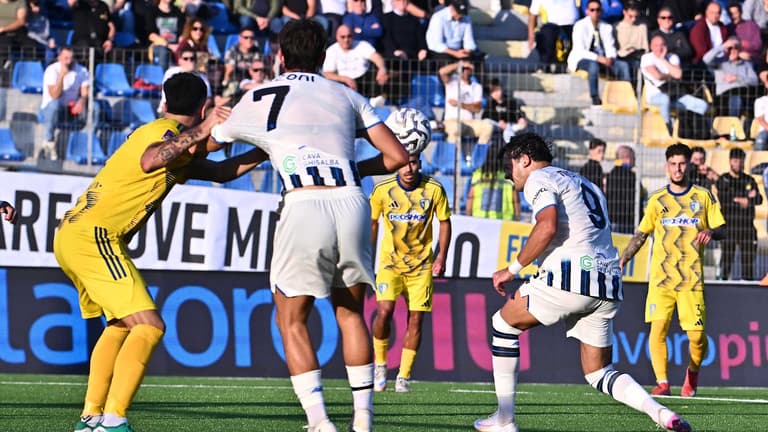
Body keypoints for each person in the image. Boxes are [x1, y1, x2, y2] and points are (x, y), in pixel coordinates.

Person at [209, 19, 408, 432]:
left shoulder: (258, 95)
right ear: (322, 57)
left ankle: (319, 421)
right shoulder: (346, 93)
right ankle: (363, 420)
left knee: (291, 318)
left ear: (280, 56)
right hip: (352, 201)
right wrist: (353, 166)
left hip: (304, 202)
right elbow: (396, 157)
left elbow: (215, 144)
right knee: (350, 311)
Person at [54, 72, 265, 432]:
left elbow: (220, 171)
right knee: (150, 326)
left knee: (121, 324)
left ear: (165, 102)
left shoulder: (163, 137)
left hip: (74, 234)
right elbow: (154, 159)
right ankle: (113, 420)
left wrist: (263, 149)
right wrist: (207, 128)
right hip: (94, 236)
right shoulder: (160, 135)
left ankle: (91, 418)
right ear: (202, 108)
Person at [474, 132, 692, 432]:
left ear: (523, 159)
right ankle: (662, 414)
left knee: (503, 324)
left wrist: (511, 270)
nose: (508, 176)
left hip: (570, 277)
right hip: (607, 280)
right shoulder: (585, 183)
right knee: (599, 373)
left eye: (509, 169)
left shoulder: (539, 179)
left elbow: (547, 226)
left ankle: (504, 419)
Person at [619, 143, 725, 399]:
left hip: (692, 280)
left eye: (682, 164)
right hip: (661, 280)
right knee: (658, 331)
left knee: (697, 338)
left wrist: (711, 231)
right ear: (667, 166)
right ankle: (663, 382)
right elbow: (641, 234)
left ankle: (692, 373)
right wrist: (624, 258)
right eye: (673, 164)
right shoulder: (657, 200)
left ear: (689, 165)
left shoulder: (703, 197)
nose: (677, 169)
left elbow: (722, 228)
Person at [370, 150, 452, 393]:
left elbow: (445, 222)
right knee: (384, 312)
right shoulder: (382, 190)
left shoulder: (434, 189)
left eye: (413, 163)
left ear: (419, 164)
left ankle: (403, 377)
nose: (408, 169)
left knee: (416, 319)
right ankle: (381, 365)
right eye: (403, 164)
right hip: (389, 264)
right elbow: (373, 223)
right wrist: (366, 256)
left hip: (421, 266)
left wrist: (441, 256)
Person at [567, 0, 631, 105]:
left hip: (603, 59)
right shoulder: (580, 26)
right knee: (593, 65)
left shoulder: (606, 27)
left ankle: (627, 95)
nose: (595, 13)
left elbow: (610, 46)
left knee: (623, 66)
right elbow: (580, 50)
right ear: (587, 11)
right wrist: (598, 58)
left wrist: (610, 57)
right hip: (583, 59)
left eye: (598, 10)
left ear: (601, 11)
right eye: (592, 10)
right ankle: (595, 97)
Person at [716, 147, 762, 280]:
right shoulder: (723, 179)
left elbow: (759, 199)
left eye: (741, 161)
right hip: (729, 227)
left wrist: (739, 199)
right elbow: (725, 200)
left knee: (748, 265)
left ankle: (747, 288)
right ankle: (722, 285)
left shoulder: (749, 180)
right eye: (736, 161)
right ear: (730, 161)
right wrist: (747, 199)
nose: (739, 164)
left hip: (747, 227)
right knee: (726, 262)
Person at [39, 47, 92, 161]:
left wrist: (81, 101)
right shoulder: (52, 70)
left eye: (71, 58)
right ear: (59, 58)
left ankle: (91, 141)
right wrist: (62, 75)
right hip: (53, 108)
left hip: (72, 108)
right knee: (55, 105)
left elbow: (85, 91)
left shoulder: (81, 70)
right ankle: (49, 140)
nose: (69, 61)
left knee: (95, 108)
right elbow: (54, 95)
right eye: (66, 58)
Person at [439, 60, 493, 160]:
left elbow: (477, 109)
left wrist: (459, 104)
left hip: (469, 122)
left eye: (468, 68)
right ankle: (453, 160)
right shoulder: (452, 81)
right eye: (463, 69)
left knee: (487, 127)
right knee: (455, 128)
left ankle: (478, 160)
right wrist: (459, 64)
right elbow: (442, 72)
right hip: (452, 120)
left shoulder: (477, 87)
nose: (466, 71)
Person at [323, 24, 390, 104]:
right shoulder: (331, 51)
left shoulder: (362, 45)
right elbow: (327, 73)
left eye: (349, 36)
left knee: (383, 73)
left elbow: (376, 57)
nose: (346, 40)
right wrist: (345, 79)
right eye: (343, 37)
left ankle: (378, 100)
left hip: (365, 79)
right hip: (344, 82)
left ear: (353, 36)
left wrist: (382, 69)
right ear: (337, 37)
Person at [704, 35, 759, 118]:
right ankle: (732, 123)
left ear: (740, 49)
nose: (732, 51)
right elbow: (706, 59)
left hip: (744, 95)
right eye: (730, 48)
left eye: (736, 47)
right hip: (724, 98)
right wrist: (723, 46)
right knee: (735, 98)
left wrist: (737, 78)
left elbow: (755, 81)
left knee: (744, 97)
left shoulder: (746, 65)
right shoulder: (720, 63)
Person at [465, 142, 520, 220]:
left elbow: (470, 198)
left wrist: (468, 215)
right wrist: (517, 217)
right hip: (505, 222)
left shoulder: (478, 174)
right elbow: (515, 200)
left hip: (479, 220)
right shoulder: (508, 175)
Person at [527, 0, 580, 67]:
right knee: (547, 35)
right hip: (551, 26)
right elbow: (533, 15)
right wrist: (531, 36)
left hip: (572, 26)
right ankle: (546, 65)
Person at [605, 145, 641, 234]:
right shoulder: (632, 177)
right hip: (627, 222)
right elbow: (634, 201)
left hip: (611, 219)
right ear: (627, 158)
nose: (634, 162)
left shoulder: (610, 175)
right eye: (633, 158)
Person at [482, 79, 527, 144]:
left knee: (508, 132)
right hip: (496, 125)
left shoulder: (509, 101)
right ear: (490, 94)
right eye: (493, 92)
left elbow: (517, 111)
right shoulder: (490, 103)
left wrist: (521, 118)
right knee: (486, 122)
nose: (497, 93)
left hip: (510, 125)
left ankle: (512, 148)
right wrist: (499, 121)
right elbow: (485, 116)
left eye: (498, 90)